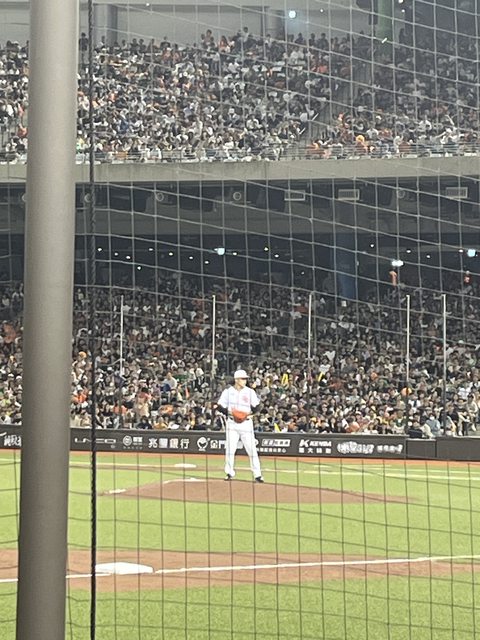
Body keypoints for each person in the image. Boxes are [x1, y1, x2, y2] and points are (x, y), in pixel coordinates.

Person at [217, 369, 264, 482]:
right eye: (243, 379)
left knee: (252, 449)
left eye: (245, 379)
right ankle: (229, 472)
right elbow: (220, 406)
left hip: (246, 423)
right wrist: (230, 412)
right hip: (232, 423)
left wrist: (250, 414)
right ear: (236, 380)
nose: (245, 381)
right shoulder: (228, 392)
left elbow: (257, 406)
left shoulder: (250, 392)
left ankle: (257, 474)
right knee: (230, 449)